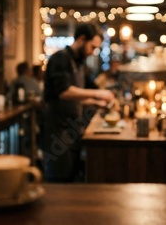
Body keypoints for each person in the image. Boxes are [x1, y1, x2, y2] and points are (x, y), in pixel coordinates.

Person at [42, 23, 114, 182]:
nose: (93, 52)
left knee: (72, 176)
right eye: (92, 47)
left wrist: (96, 103)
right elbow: (64, 92)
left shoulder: (79, 63)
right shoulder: (60, 58)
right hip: (57, 129)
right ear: (81, 39)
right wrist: (98, 94)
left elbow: (77, 95)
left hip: (72, 127)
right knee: (58, 179)